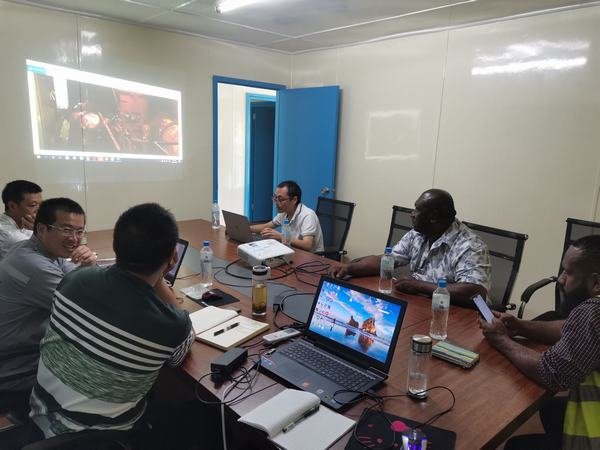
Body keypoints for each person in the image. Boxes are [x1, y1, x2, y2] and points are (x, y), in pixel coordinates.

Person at [27, 203, 195, 447]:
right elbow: (181, 350)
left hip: (40, 412)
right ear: (173, 258)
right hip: (97, 440)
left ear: (117, 245)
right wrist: (160, 278)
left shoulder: (74, 279)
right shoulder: (169, 324)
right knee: (181, 404)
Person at [479, 235, 600, 450]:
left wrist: (501, 340)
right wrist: (521, 326)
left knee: (516, 447)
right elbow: (569, 327)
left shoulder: (592, 311)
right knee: (550, 408)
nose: (561, 279)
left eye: (569, 272)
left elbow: (552, 374)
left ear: (596, 282)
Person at [0, 198, 96, 409]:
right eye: (66, 230)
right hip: (16, 367)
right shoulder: (34, 265)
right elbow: (88, 310)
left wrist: (87, 265)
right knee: (100, 368)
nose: (74, 239)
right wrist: (90, 270)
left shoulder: (40, 251)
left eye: (79, 232)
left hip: (22, 350)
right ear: (42, 229)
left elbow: (74, 280)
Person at [330, 189, 490, 306]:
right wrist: (348, 268)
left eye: (418, 210)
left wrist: (419, 286)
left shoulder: (470, 246)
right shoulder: (418, 234)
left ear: (434, 217)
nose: (412, 214)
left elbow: (476, 293)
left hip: (455, 316)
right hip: (420, 304)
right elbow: (387, 260)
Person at [250, 180, 324, 253]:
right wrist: (248, 228)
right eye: (275, 198)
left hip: (312, 257)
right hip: (291, 250)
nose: (276, 203)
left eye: (281, 199)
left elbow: (307, 245)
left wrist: (281, 237)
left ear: (294, 199)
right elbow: (266, 226)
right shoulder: (284, 213)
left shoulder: (308, 215)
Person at [0, 180, 42, 258]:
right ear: (12, 206)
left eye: (40, 204)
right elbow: (49, 255)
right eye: (33, 205)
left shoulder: (25, 223)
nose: (39, 209)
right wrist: (39, 230)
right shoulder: (9, 234)